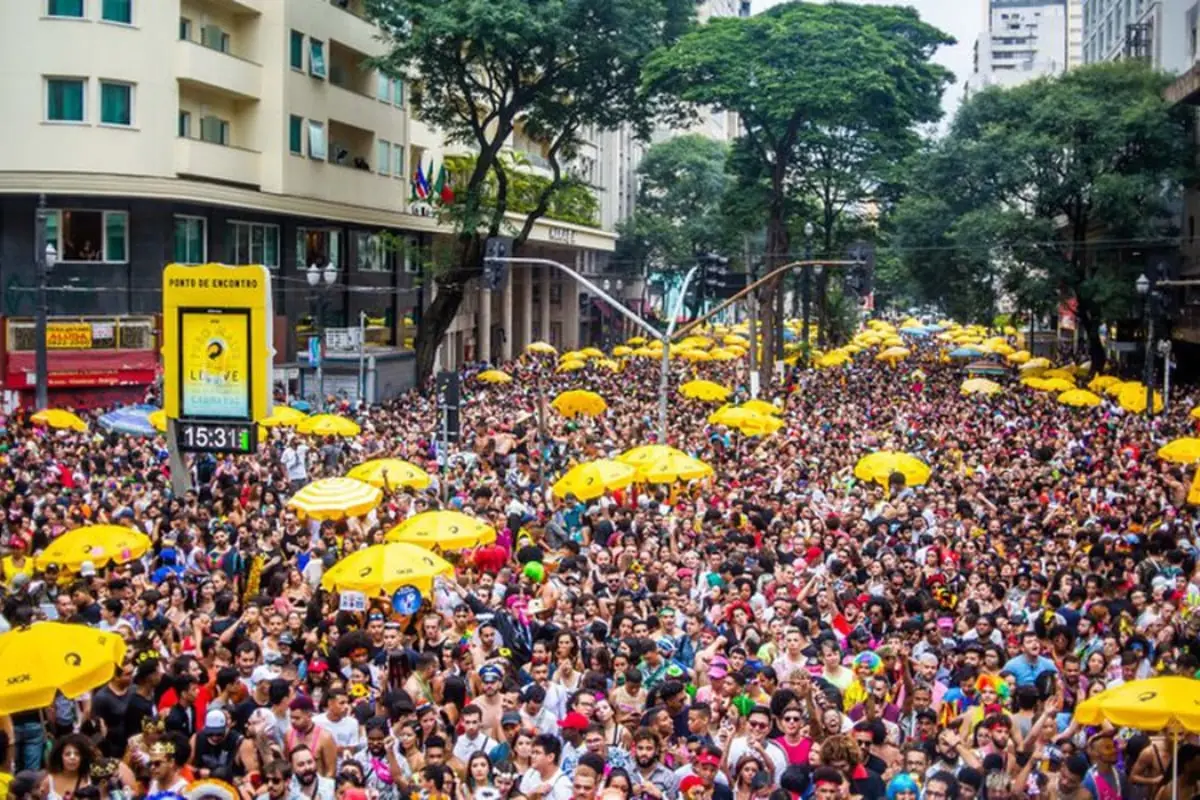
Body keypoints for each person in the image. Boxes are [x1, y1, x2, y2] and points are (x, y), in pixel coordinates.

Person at [517, 734, 571, 800]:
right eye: (533, 752)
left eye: (537, 753)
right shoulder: (530, 773)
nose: (532, 756)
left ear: (550, 757)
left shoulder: (563, 784)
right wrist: (533, 793)